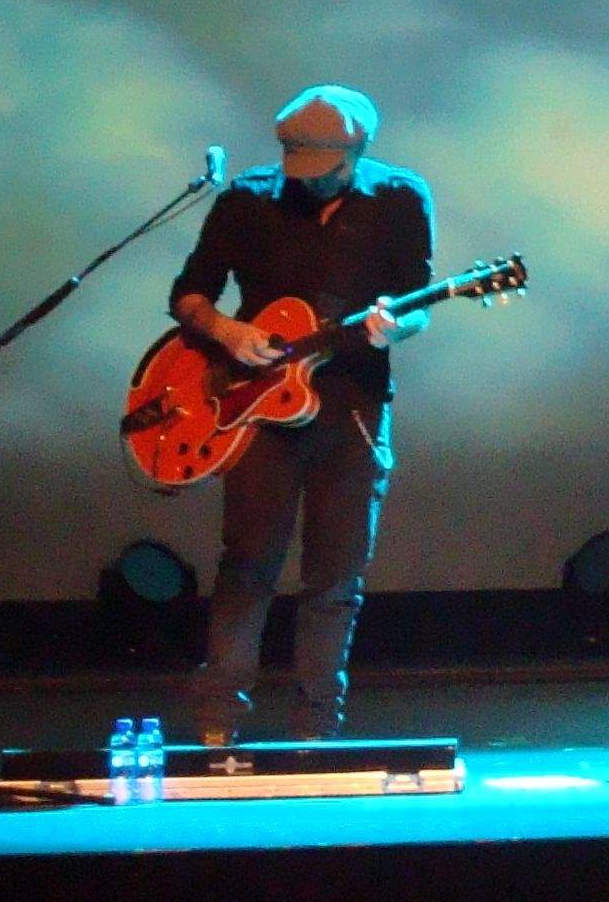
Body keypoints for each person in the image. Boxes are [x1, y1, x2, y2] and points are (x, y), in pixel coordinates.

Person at [171, 86, 434, 743]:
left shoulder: (400, 199)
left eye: (326, 168)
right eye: (299, 164)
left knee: (335, 575)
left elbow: (416, 301)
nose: (310, 182)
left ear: (359, 152)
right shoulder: (246, 197)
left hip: (352, 404)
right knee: (249, 561)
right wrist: (229, 332)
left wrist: (391, 328)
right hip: (257, 405)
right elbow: (189, 293)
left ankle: (317, 728)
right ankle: (218, 722)